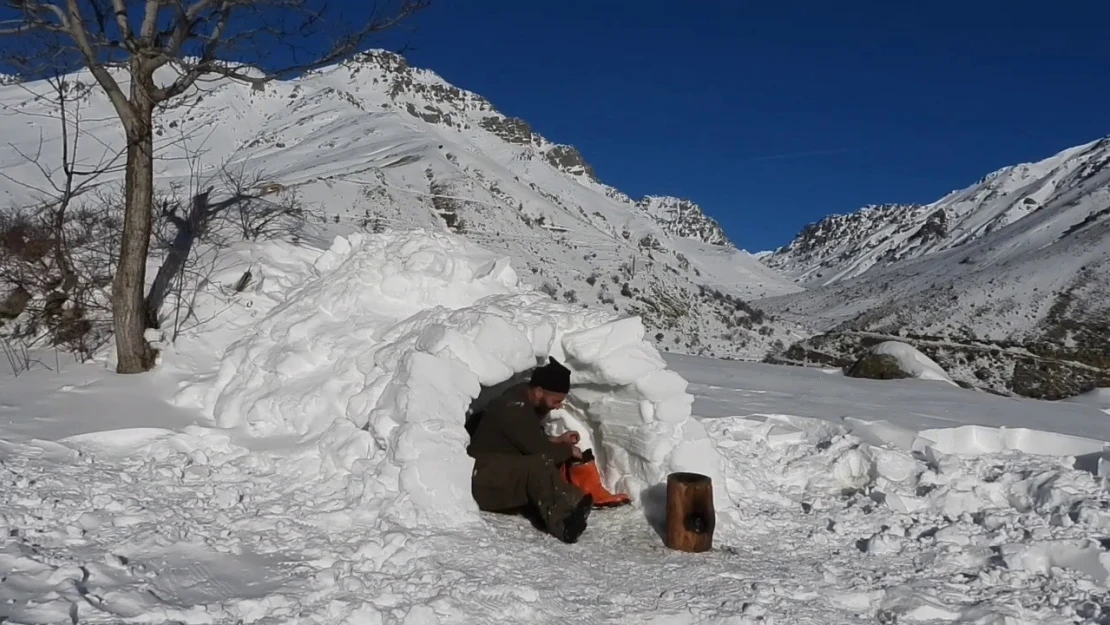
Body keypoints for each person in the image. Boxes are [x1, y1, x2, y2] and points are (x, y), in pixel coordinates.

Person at [465, 357, 596, 543]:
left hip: (495, 470)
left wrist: (557, 440)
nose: (558, 406)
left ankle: (575, 502)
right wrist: (568, 450)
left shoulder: (522, 401)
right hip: (480, 478)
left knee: (541, 466)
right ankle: (563, 524)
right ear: (539, 391)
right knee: (539, 464)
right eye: (556, 400)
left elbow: (526, 439)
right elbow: (540, 451)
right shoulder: (512, 408)